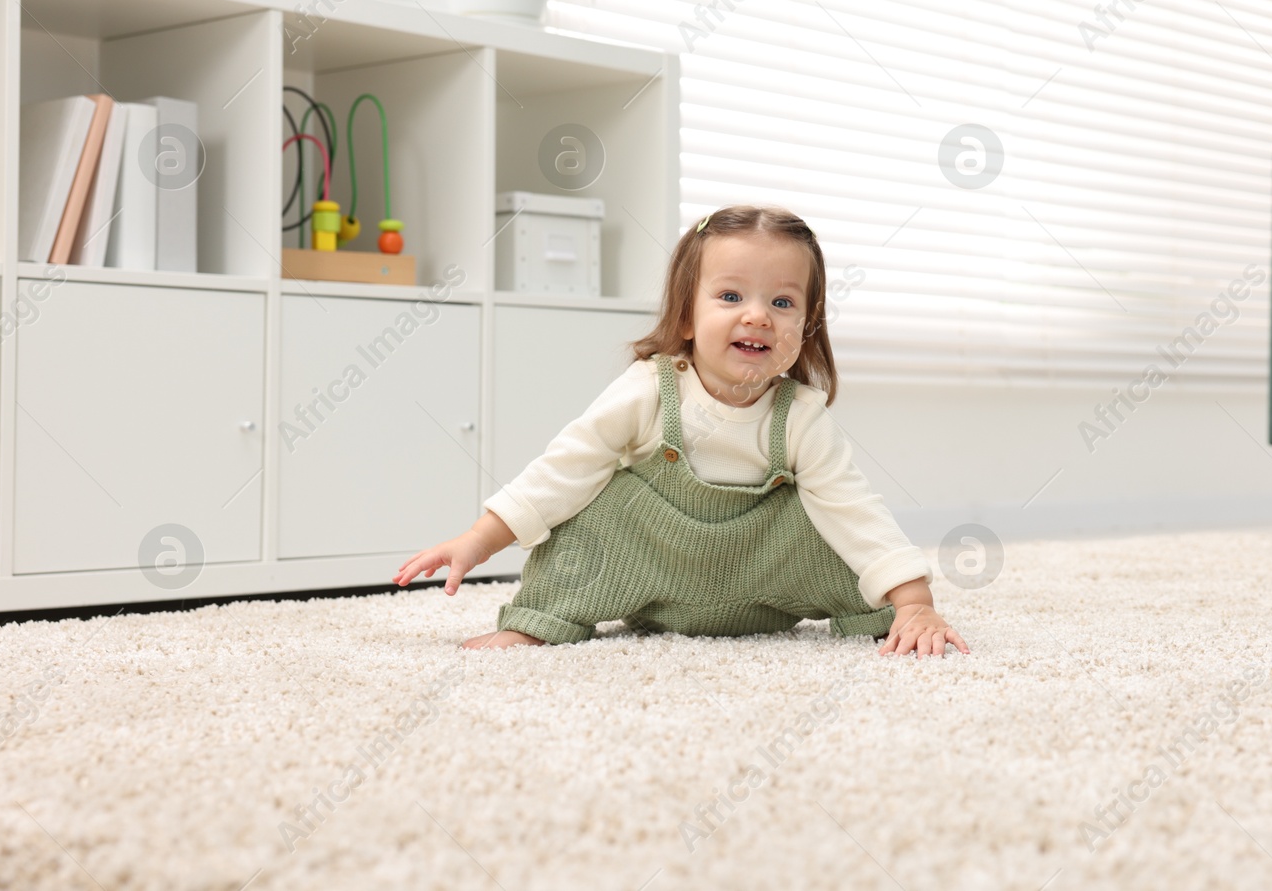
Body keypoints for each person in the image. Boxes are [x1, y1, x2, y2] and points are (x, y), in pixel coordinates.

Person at [393, 204, 969, 657]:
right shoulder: (650, 388)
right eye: (730, 296)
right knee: (598, 504)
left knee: (825, 517)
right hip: (648, 569)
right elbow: (566, 467)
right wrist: (479, 538)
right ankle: (543, 622)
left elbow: (853, 506)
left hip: (766, 575)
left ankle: (892, 617)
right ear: (687, 316)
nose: (757, 316)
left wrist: (915, 600)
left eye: (783, 301)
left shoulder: (800, 413)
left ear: (806, 325)